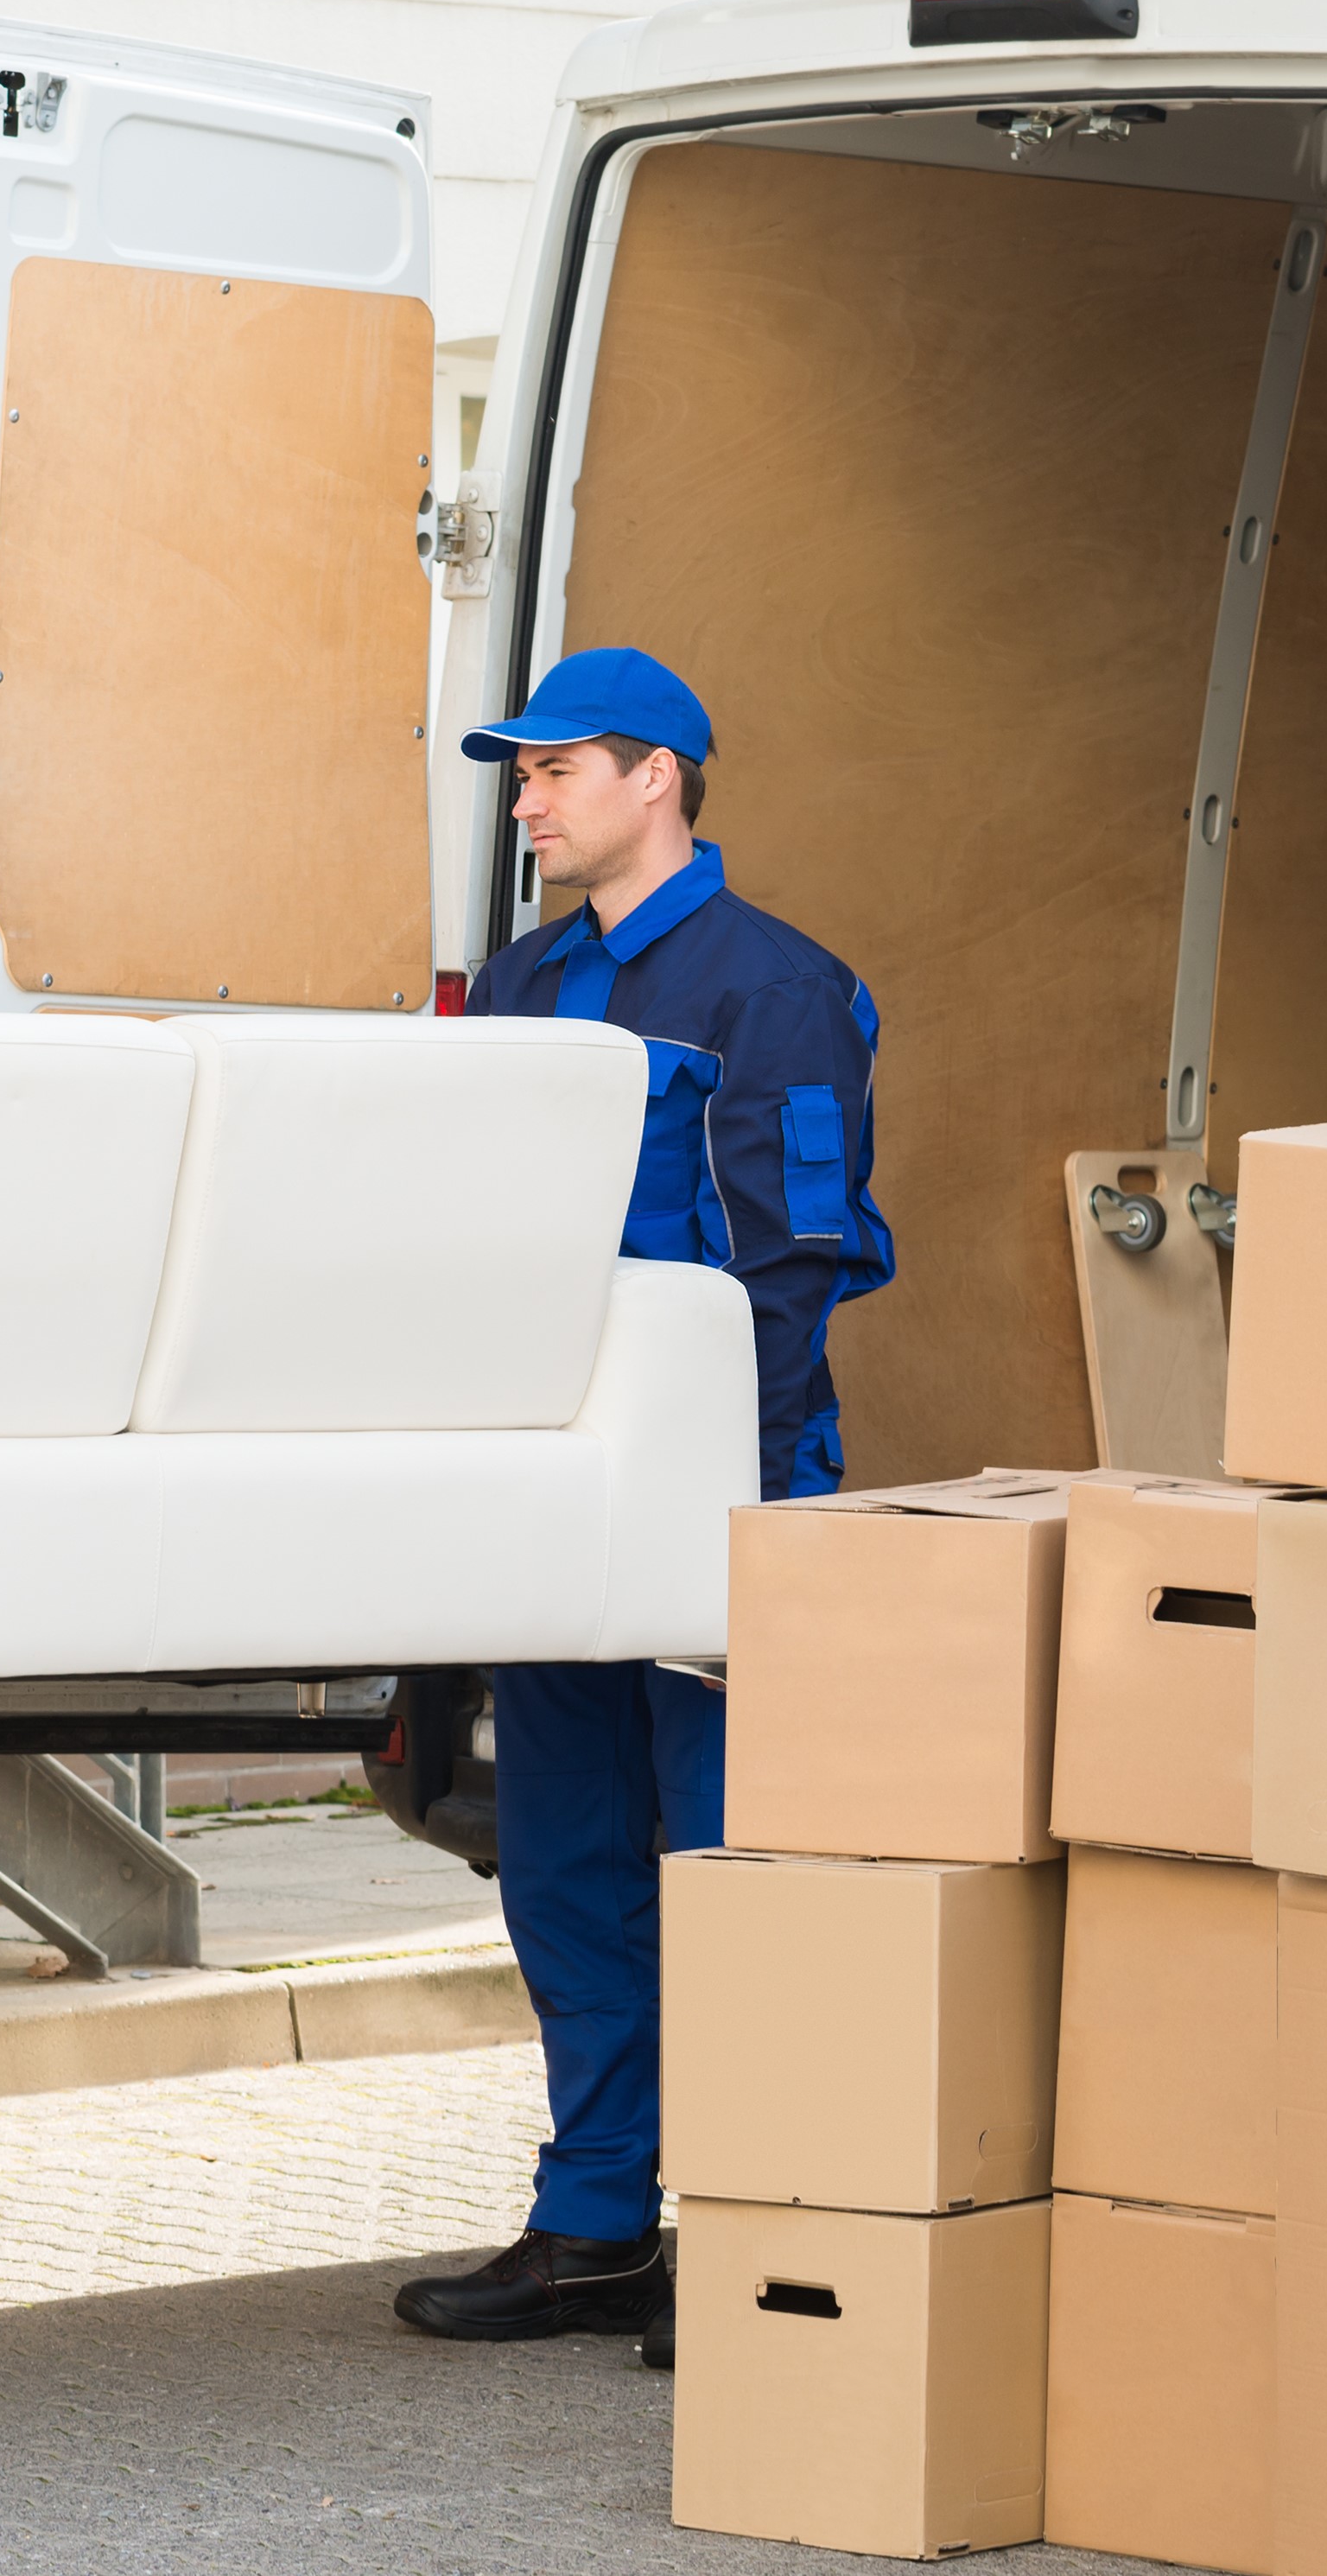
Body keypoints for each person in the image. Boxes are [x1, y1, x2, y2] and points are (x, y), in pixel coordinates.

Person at [392, 645, 894, 2352]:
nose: (522, 801)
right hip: (555, 1502)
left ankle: (745, 2229)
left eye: (549, 771)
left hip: (720, 1501)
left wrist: (714, 1504)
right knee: (566, 1863)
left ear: (654, 776)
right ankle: (594, 2220)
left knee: (723, 1866)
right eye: (518, 775)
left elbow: (794, 1265)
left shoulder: (779, 988)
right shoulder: (522, 984)